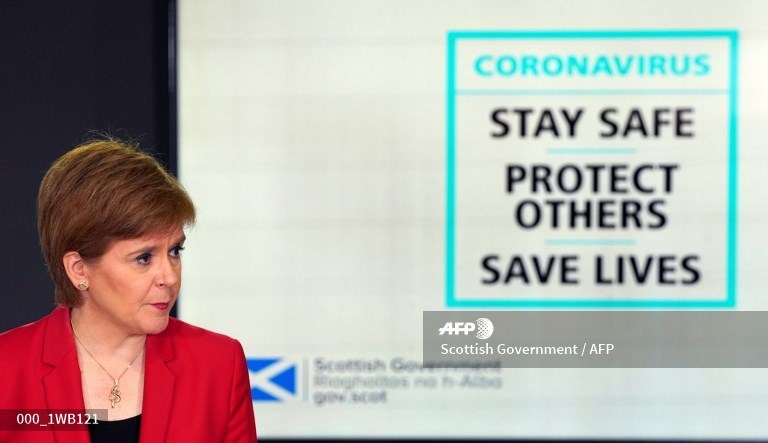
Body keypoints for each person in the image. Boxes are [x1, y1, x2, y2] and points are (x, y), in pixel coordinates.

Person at [0, 137, 257, 442]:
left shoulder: (218, 365)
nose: (169, 277)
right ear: (79, 269)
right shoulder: (7, 369)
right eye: (144, 258)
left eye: (175, 251)